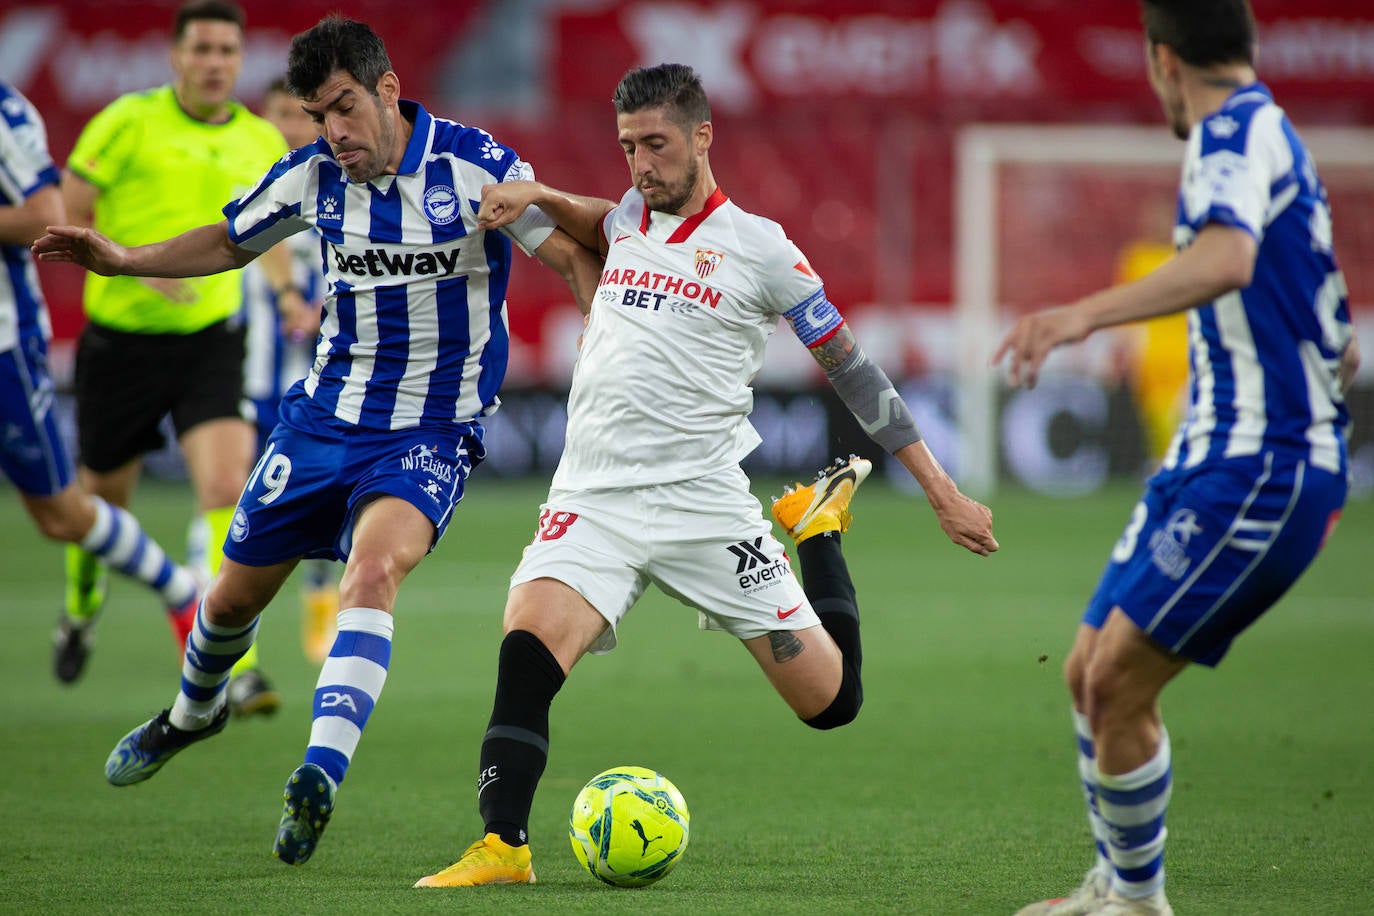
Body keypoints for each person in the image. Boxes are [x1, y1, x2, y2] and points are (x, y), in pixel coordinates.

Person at [410, 62, 1000, 888]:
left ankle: (820, 529)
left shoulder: (762, 249)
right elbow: (604, 218)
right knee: (527, 643)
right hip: (595, 498)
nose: (642, 164)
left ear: (702, 136)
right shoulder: (627, 218)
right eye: (627, 148)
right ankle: (502, 846)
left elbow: (855, 371)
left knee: (831, 705)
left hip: (706, 507)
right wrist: (541, 196)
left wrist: (941, 490)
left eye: (656, 144)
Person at [34, 13, 601, 868]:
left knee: (372, 572)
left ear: (386, 92)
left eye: (342, 108)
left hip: (430, 429)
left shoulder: (471, 164)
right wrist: (122, 258)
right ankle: (194, 713)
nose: (331, 132)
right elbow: (229, 240)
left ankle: (318, 772)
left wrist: (617, 329)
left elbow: (567, 254)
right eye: (314, 114)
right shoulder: (311, 178)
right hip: (321, 423)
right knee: (227, 603)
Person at [993, 3, 1357, 914]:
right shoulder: (1278, 138)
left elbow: (1229, 259)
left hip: (1261, 465)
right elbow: (1338, 338)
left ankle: (1136, 905)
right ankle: (1117, 890)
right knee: (1087, 671)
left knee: (1116, 680)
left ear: (1163, 60)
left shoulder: (1229, 131)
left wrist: (1083, 312)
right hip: (1214, 459)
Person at [59, 0, 292, 714]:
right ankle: (81, 607)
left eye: (228, 50)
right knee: (102, 507)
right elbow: (70, 213)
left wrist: (285, 298)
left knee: (227, 488)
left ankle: (237, 663)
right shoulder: (126, 122)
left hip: (210, 341)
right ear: (175, 56)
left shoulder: (260, 140)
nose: (216, 62)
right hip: (120, 344)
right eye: (204, 49)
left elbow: (269, 236)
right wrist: (138, 267)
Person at [0, 80, 201, 681]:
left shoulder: (6, 114)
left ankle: (181, 590)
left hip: (6, 344)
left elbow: (46, 216)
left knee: (61, 513)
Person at [206, 75, 338, 665]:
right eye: (274, 114)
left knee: (319, 497)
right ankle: (228, 632)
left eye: (296, 114)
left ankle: (319, 604)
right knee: (230, 493)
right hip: (250, 370)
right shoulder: (254, 191)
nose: (284, 126)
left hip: (317, 374)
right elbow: (232, 255)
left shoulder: (334, 188)